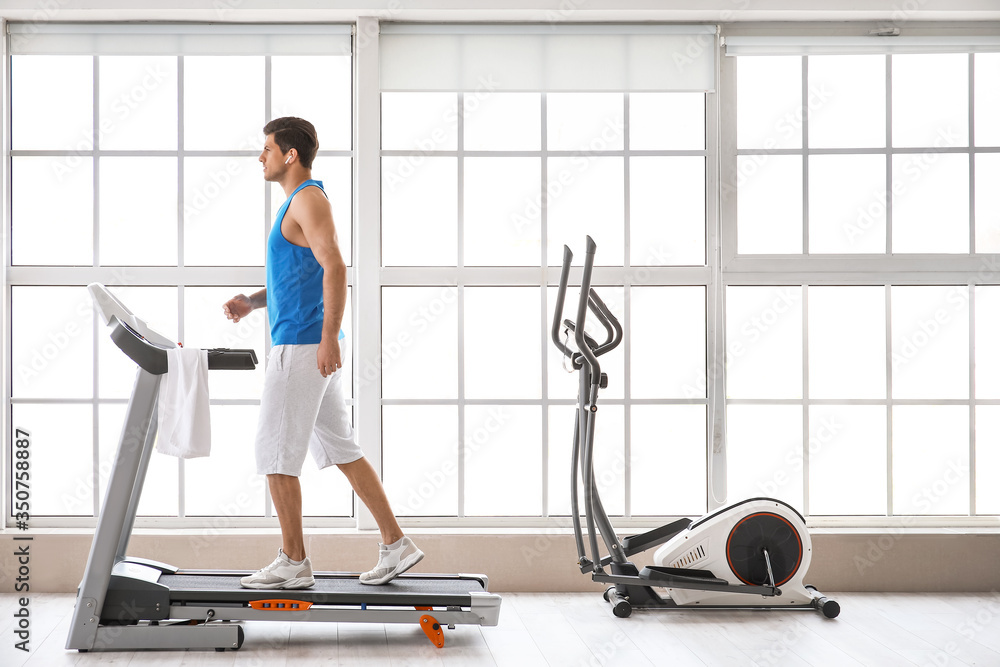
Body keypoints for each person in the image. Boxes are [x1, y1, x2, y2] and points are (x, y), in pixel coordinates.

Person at [223, 117, 422, 589]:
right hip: (308, 342)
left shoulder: (308, 198)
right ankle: (397, 545)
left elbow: (335, 267)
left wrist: (329, 336)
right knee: (342, 449)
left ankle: (293, 561)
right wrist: (252, 302)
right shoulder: (298, 203)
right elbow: (298, 275)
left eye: (267, 149)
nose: (261, 156)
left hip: (303, 346)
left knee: (274, 454)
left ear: (290, 155)